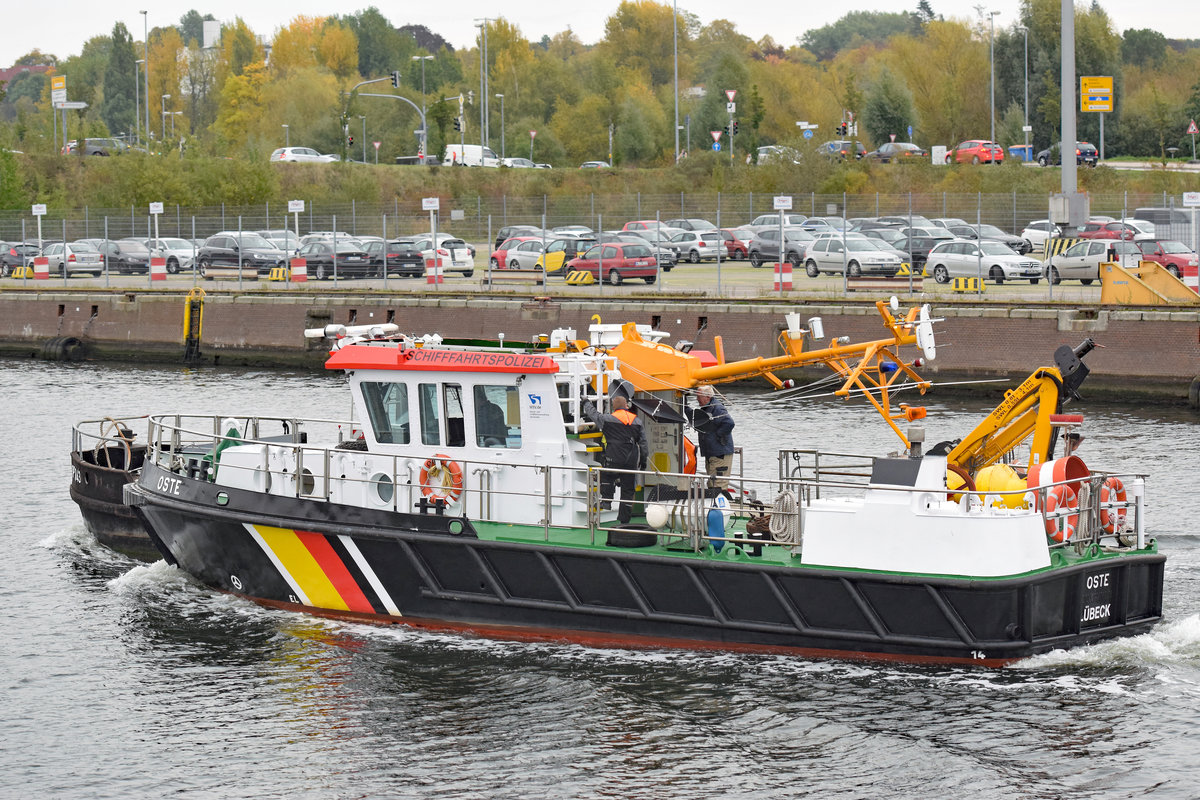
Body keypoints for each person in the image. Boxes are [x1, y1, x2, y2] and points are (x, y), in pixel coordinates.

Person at [581, 395, 648, 525]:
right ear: (626, 406)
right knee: (628, 490)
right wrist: (643, 461)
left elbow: (593, 414)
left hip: (613, 457)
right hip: (631, 460)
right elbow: (644, 444)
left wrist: (586, 402)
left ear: (614, 407)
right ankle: (624, 520)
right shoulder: (637, 421)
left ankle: (606, 501)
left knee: (606, 476)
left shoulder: (607, 419)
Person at [684, 384, 735, 489]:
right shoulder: (706, 408)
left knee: (717, 484)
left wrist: (717, 436)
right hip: (712, 452)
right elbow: (695, 419)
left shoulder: (717, 408)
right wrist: (684, 404)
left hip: (719, 453)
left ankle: (718, 502)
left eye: (699, 396)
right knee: (713, 482)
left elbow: (729, 423)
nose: (697, 399)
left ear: (707, 397)